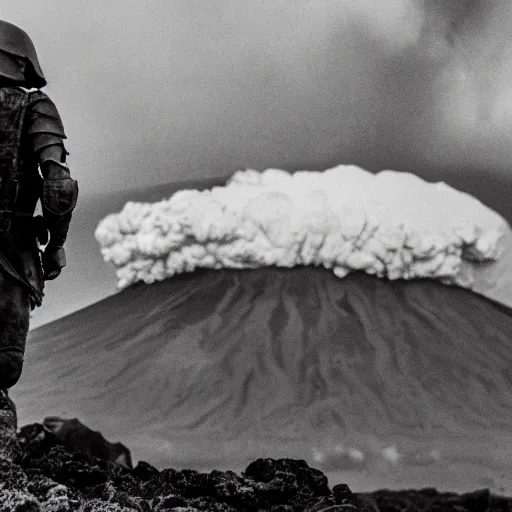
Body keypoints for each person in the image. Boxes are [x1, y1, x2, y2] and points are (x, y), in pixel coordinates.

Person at [0, 20, 78, 395]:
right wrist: (55, 245)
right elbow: (59, 187)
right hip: (11, 253)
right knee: (3, 364)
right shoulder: (34, 107)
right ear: (19, 61)